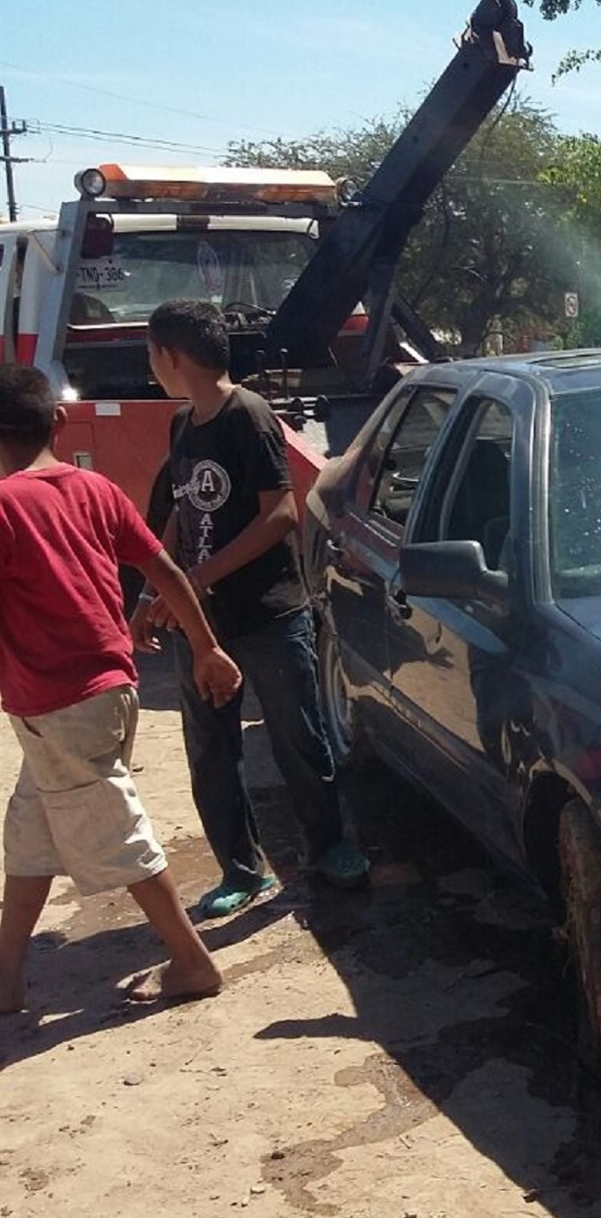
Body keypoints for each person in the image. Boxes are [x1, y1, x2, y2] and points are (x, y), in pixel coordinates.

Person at [0, 365, 241, 1011]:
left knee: (119, 836)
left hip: (63, 703)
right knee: (31, 834)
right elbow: (166, 570)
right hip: (101, 694)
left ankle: (192, 961)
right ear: (59, 421)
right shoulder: (96, 488)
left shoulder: (5, 506)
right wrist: (207, 647)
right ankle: (6, 977)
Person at [131, 300, 369, 918]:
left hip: (270, 614)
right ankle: (241, 870)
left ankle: (330, 845)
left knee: (299, 739)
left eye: (152, 354)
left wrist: (198, 577)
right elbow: (182, 511)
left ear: (171, 356)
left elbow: (281, 514)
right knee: (212, 751)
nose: (151, 365)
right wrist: (159, 592)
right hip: (202, 624)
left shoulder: (249, 415)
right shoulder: (183, 424)